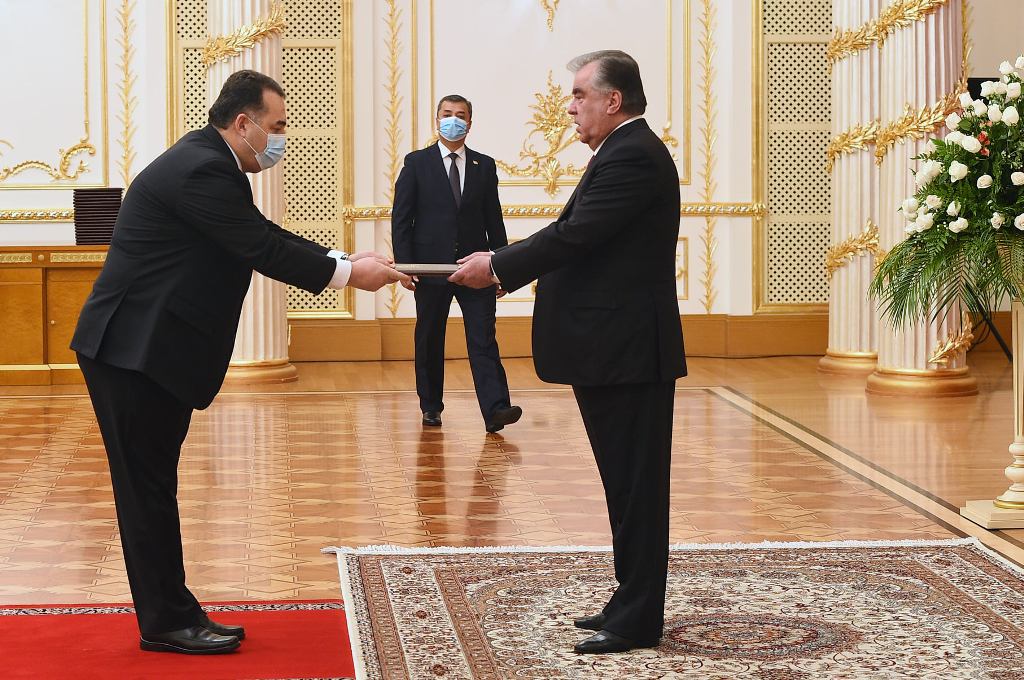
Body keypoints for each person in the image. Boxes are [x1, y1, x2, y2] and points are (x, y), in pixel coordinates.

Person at [70, 69, 408, 655]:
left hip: (144, 349)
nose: (281, 139)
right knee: (146, 489)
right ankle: (167, 622)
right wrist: (350, 276)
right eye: (277, 126)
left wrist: (340, 259)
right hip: (130, 351)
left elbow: (259, 232)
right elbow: (260, 247)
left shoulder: (209, 163)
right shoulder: (203, 168)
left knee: (151, 486)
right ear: (244, 122)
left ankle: (173, 611)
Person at [449, 50, 685, 654]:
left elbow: (575, 236)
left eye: (580, 94)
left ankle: (637, 618)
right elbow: (578, 239)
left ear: (613, 99)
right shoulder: (619, 151)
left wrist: (498, 264)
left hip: (629, 352)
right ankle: (628, 598)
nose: (571, 106)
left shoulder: (633, 154)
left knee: (636, 486)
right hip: (613, 350)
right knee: (623, 484)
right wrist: (502, 263)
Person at [392, 94, 522, 433]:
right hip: (429, 268)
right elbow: (401, 219)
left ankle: (496, 409)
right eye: (447, 114)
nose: (454, 120)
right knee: (429, 337)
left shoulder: (484, 166)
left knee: (483, 338)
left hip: (475, 268)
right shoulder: (416, 163)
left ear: (470, 123)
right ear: (437, 120)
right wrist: (405, 267)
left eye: (460, 115)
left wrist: (503, 269)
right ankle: (430, 406)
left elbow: (494, 221)